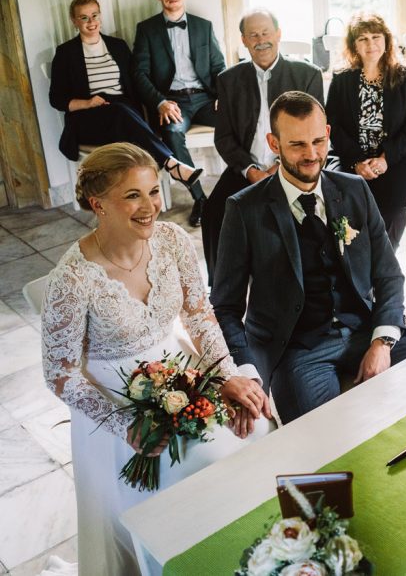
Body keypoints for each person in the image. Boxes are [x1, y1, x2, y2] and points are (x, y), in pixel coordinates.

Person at [40, 143, 272, 576]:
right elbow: (59, 373)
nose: (150, 207)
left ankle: (249, 556)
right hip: (115, 402)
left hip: (182, 371)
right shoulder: (71, 279)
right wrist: (123, 425)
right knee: (201, 467)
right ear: (98, 204)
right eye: (132, 195)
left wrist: (226, 376)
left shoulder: (172, 240)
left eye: (154, 191)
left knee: (257, 426)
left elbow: (200, 315)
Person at [212, 91, 406, 424]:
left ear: (328, 134)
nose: (312, 155)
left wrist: (383, 341)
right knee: (323, 437)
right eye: (297, 145)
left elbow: (388, 274)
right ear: (274, 143)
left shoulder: (355, 189)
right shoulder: (244, 209)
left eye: (318, 141)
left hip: (363, 327)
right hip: (298, 351)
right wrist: (245, 369)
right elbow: (225, 307)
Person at [201, 8, 324, 280]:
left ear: (278, 34)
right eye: (253, 35)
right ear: (243, 41)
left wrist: (281, 166)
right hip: (247, 168)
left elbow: (316, 133)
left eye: (266, 33)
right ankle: (221, 288)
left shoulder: (307, 75)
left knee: (307, 217)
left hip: (296, 166)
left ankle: (306, 280)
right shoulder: (229, 79)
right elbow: (223, 137)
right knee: (213, 212)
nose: (261, 40)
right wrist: (251, 171)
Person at [48, 0, 203, 192]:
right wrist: (88, 103)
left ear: (100, 16)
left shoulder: (117, 46)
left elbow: (136, 85)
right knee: (122, 114)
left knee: (123, 113)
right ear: (74, 21)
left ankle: (142, 190)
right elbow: (56, 99)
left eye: (94, 15)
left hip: (123, 113)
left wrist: (159, 103)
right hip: (87, 118)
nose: (91, 22)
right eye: (84, 17)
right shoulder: (65, 52)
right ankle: (171, 164)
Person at [132, 0, 226, 227]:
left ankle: (244, 186)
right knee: (173, 133)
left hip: (206, 98)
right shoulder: (146, 29)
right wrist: (160, 102)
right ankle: (201, 199)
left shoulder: (203, 26)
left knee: (239, 120)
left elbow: (219, 66)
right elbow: (138, 74)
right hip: (173, 102)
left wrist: (223, 96)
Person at [326, 12, 406, 248]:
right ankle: (353, 261)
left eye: (376, 37)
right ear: (353, 45)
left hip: (396, 158)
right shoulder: (341, 78)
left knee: (390, 206)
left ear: (387, 40)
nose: (371, 44)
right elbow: (332, 125)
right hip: (350, 158)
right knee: (344, 203)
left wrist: (385, 159)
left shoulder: (404, 75)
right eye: (363, 39)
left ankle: (383, 266)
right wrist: (357, 162)